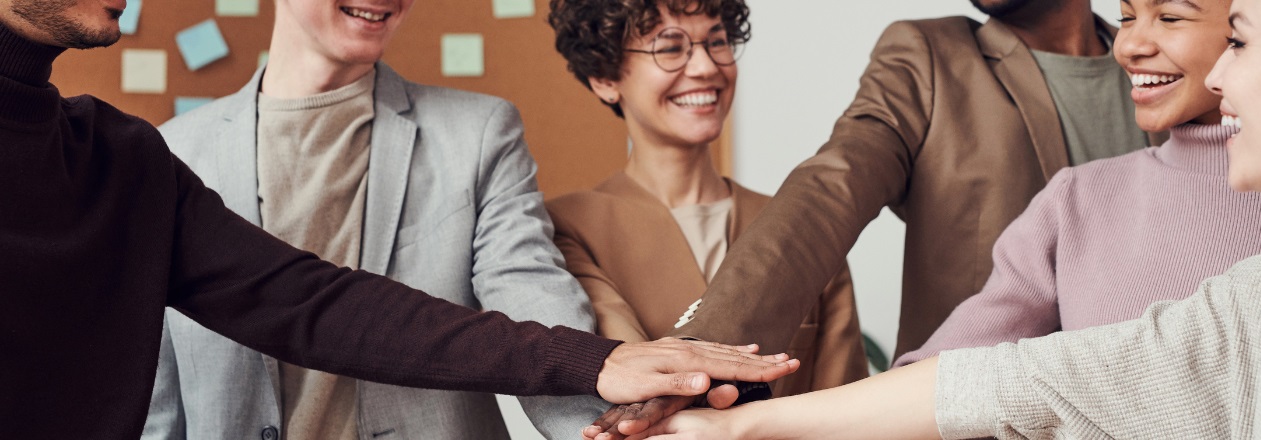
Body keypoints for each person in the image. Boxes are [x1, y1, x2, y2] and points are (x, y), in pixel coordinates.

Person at [0, 0, 800, 438]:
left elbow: (317, 304)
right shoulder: (176, 149)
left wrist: (603, 375)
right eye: (670, 45)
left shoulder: (122, 161)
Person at [622, 0, 1261, 437]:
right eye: (1132, 16)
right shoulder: (1260, 306)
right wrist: (708, 381)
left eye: (1232, 39)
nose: (1142, 43)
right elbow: (820, 204)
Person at [594, 0, 1159, 433]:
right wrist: (702, 351)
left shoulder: (1172, 68)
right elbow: (829, 190)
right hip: (974, 426)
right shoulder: (932, 57)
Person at [139, 0, 613, 438]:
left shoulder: (481, 134)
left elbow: (532, 292)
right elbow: (153, 394)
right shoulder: (171, 153)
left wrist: (602, 428)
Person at [892, 0, 1261, 366]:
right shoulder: (1076, 201)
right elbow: (939, 379)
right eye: (1125, 16)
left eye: (1170, 17)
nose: (1129, 46)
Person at [545, 0, 866, 408]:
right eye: (671, 47)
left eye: (717, 41)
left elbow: (846, 406)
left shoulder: (807, 224)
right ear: (604, 77)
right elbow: (631, 389)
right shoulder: (566, 227)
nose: (706, 67)